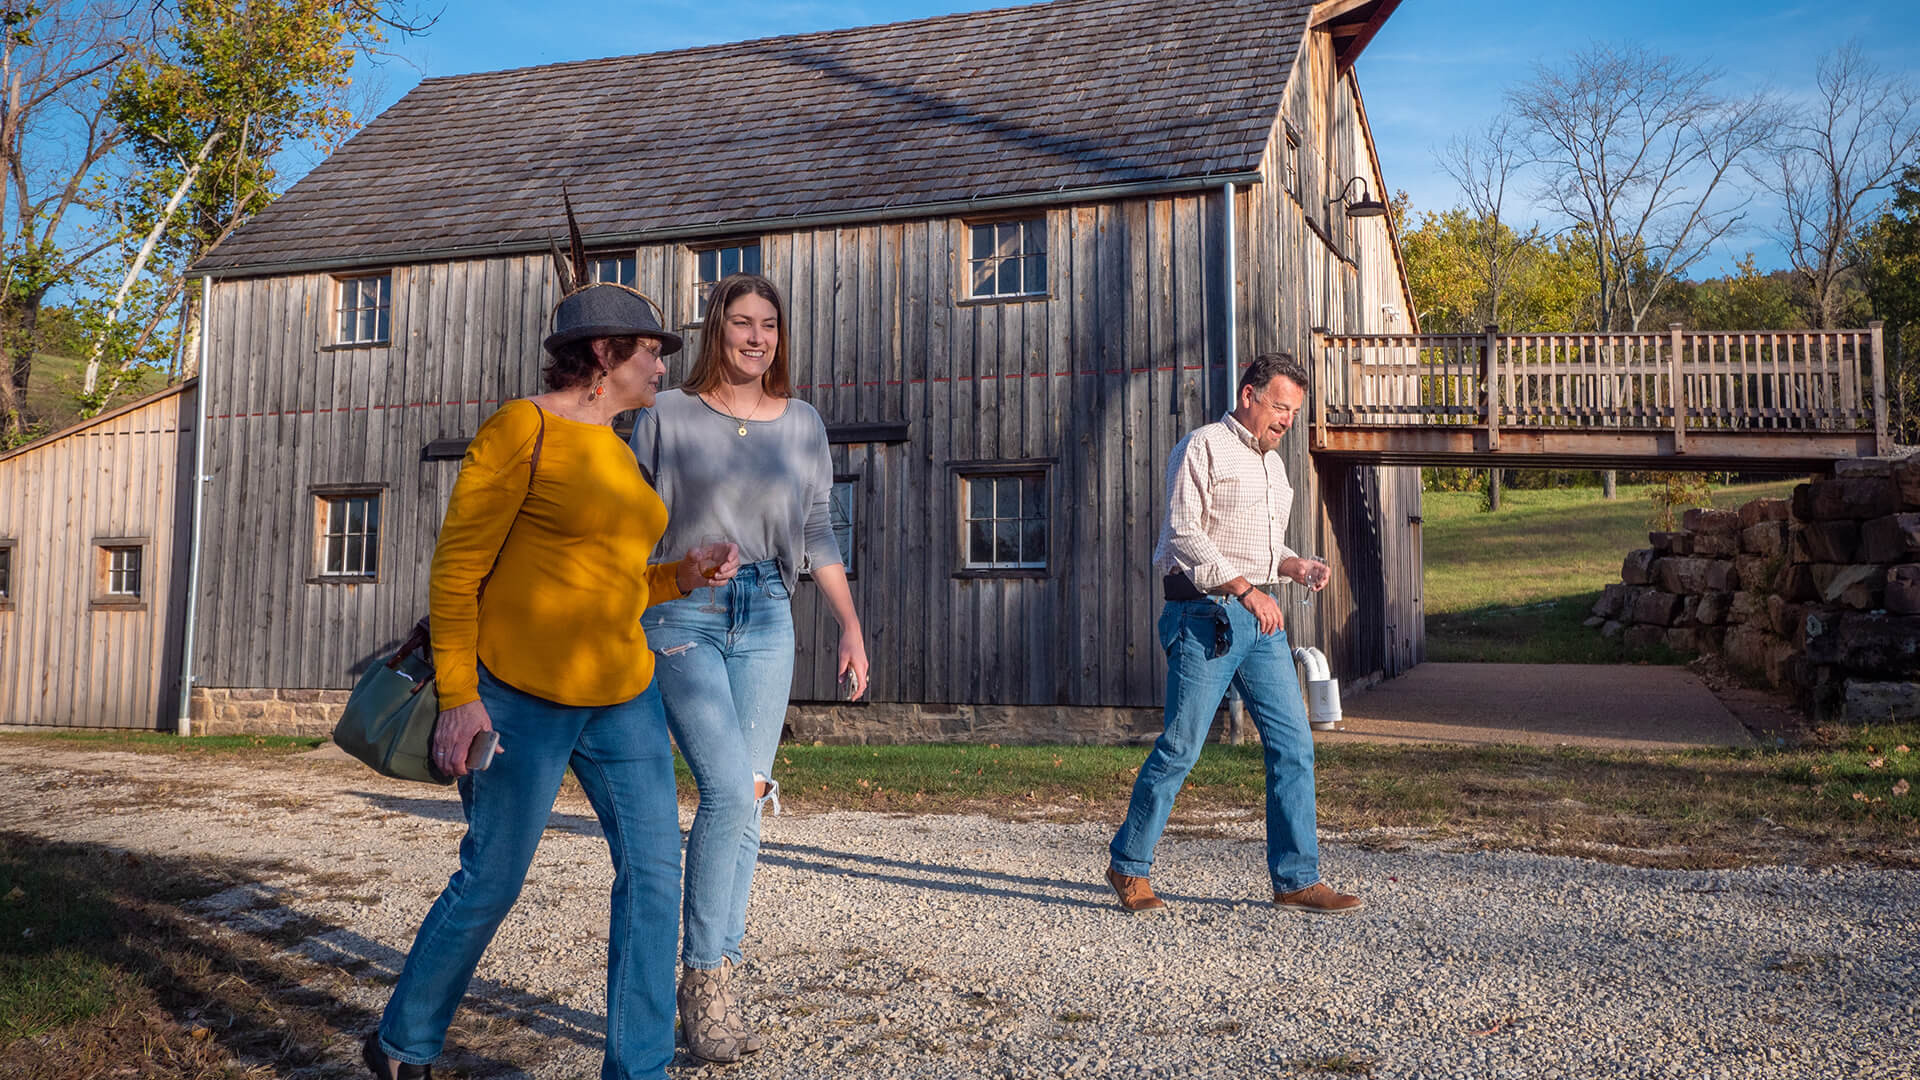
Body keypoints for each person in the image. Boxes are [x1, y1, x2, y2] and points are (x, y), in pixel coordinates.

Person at [364, 282, 740, 1080]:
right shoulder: (521, 428)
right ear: (604, 355)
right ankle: (404, 1044)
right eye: (651, 353)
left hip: (622, 695)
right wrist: (461, 699)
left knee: (652, 876)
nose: (662, 368)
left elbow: (612, 581)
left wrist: (681, 575)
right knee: (493, 878)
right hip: (517, 695)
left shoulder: (620, 448)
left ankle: (638, 1070)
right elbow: (458, 569)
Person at [629, 272, 868, 1063]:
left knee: (752, 796)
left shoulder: (802, 423)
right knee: (729, 789)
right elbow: (629, 527)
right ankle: (703, 977)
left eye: (768, 324)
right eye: (741, 323)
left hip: (768, 608)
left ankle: (719, 969)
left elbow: (819, 532)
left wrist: (849, 627)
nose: (756, 337)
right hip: (682, 611)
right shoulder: (666, 415)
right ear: (715, 331)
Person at [1105, 352, 1362, 916]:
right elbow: (1184, 536)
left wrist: (1295, 566)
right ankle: (1128, 866)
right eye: (1279, 407)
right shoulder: (1201, 447)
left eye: (1293, 412)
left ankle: (1296, 879)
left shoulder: (1273, 465)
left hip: (1260, 624)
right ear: (1249, 394)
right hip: (1204, 618)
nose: (1286, 421)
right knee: (1181, 747)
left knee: (1293, 746)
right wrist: (1247, 589)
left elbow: (1262, 546)